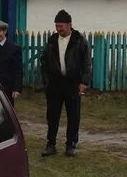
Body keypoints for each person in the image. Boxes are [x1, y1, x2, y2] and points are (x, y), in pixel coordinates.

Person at [38, 9, 91, 157]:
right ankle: (51, 144)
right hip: (54, 84)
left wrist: (83, 82)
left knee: (73, 116)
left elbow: (86, 63)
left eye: (61, 25)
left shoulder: (79, 41)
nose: (58, 28)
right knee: (52, 115)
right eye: (56, 25)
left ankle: (71, 145)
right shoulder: (52, 40)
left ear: (69, 25)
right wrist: (46, 81)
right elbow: (43, 61)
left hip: (73, 83)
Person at [0, 20, 23, 104]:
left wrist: (16, 88)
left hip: (6, 89)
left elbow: (18, 70)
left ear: (5, 31)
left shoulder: (14, 48)